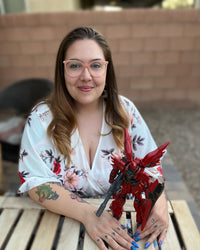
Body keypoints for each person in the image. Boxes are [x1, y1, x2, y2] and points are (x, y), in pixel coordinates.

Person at [18, 26, 169, 250]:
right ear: (62, 70)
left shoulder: (125, 111)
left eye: (96, 65)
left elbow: (151, 167)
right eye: (75, 65)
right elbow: (36, 182)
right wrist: (89, 215)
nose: (86, 76)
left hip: (120, 229)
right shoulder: (41, 117)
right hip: (57, 226)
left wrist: (160, 201)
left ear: (107, 70)